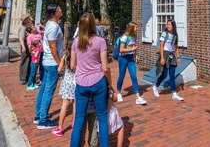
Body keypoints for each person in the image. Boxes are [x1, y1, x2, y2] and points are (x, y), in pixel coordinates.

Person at [70, 13, 112, 147]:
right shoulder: (100, 41)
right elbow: (105, 67)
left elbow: (72, 65)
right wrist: (110, 84)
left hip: (81, 82)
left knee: (78, 120)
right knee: (102, 118)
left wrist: (82, 70)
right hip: (98, 81)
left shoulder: (76, 42)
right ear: (94, 25)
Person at [34, 4, 64, 129]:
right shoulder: (54, 27)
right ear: (55, 12)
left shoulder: (50, 25)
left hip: (47, 62)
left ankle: (38, 116)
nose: (61, 10)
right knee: (48, 91)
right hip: (52, 63)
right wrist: (59, 64)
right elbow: (53, 47)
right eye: (59, 9)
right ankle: (43, 120)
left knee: (44, 88)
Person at [152, 20, 184, 101]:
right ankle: (155, 86)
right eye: (167, 24)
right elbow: (161, 47)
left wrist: (178, 57)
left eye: (170, 25)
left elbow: (176, 47)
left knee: (172, 75)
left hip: (172, 55)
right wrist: (162, 58)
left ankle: (174, 93)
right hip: (165, 54)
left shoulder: (175, 36)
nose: (168, 26)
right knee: (164, 74)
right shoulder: (164, 34)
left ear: (173, 26)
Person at [116, 22, 147, 105]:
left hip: (130, 58)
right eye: (136, 27)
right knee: (121, 76)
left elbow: (134, 46)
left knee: (134, 76)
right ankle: (118, 92)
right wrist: (132, 49)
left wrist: (136, 56)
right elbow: (121, 50)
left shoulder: (135, 36)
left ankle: (138, 97)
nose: (137, 29)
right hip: (123, 58)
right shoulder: (124, 37)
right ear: (132, 28)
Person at [52, 39, 76, 137]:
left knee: (64, 105)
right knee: (75, 104)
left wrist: (64, 69)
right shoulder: (78, 57)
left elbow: (59, 69)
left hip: (67, 82)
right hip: (76, 82)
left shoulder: (65, 57)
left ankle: (60, 128)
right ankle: (74, 124)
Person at [26, 24, 43, 90]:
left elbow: (46, 31)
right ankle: (29, 84)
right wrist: (35, 54)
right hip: (35, 57)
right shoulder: (30, 36)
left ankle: (34, 83)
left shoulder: (38, 32)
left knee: (36, 71)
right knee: (33, 72)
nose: (35, 27)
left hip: (41, 53)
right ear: (31, 30)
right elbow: (29, 47)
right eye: (33, 27)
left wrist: (41, 26)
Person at [18, 14, 32, 85]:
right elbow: (21, 38)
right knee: (25, 60)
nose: (30, 19)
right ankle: (23, 78)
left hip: (29, 44)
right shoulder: (23, 27)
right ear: (25, 20)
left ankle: (27, 75)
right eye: (28, 18)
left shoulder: (28, 26)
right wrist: (23, 47)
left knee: (29, 60)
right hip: (25, 44)